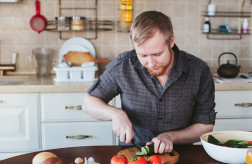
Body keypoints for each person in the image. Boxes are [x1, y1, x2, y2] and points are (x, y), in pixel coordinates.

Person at [82, 11, 216, 154]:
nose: (151, 63)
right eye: (143, 55)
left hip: (181, 158)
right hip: (133, 156)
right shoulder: (123, 66)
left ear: (171, 41)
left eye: (157, 54)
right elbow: (88, 102)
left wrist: (170, 136)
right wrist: (116, 114)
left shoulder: (198, 70)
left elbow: (205, 126)